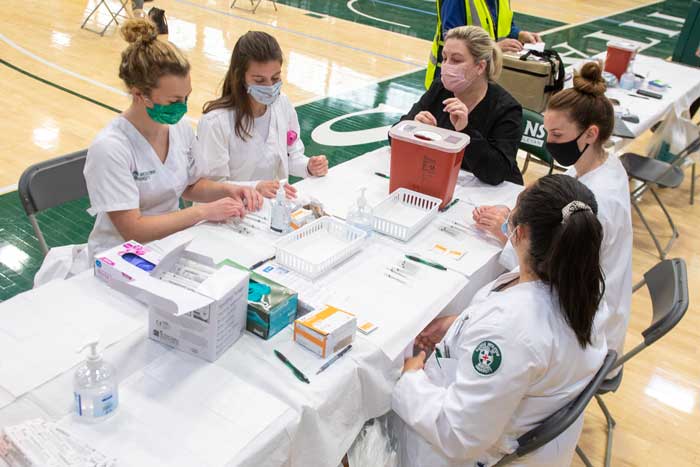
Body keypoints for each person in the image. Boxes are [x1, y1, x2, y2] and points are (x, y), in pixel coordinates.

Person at [391, 174, 609, 466]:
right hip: (506, 411)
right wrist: (460, 324)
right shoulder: (583, 289)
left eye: (512, 211)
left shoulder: (512, 329)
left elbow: (458, 433)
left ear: (517, 233)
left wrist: (411, 379)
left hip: (453, 450)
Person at [474, 61, 632, 361]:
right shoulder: (604, 166)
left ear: (590, 134)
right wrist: (523, 216)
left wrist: (510, 236)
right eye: (547, 132)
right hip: (587, 303)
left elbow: (550, 274)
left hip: (582, 329)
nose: (549, 143)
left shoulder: (598, 200)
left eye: (557, 136)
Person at [84, 18, 262, 259]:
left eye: (186, 97)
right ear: (140, 95)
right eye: (173, 101)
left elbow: (190, 186)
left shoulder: (179, 129)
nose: (183, 108)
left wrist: (229, 190)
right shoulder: (110, 148)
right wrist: (203, 213)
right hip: (121, 256)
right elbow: (134, 229)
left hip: (171, 243)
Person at [194, 31, 328, 200]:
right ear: (240, 77)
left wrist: (308, 166)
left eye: (275, 78)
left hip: (271, 208)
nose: (270, 86)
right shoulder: (215, 122)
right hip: (228, 216)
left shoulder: (282, 104)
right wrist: (254, 188)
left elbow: (289, 156)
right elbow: (210, 187)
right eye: (259, 80)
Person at [398, 26, 523, 186]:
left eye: (456, 60)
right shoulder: (440, 89)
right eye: (444, 58)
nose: (446, 66)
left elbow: (495, 173)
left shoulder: (507, 109)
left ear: (480, 67)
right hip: (446, 180)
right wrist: (413, 129)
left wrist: (465, 131)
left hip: (491, 194)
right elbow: (394, 135)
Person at [425, 0, 543, 88]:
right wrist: (494, 47)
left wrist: (519, 34)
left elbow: (503, 25)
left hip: (480, 77)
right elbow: (452, 39)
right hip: (452, 79)